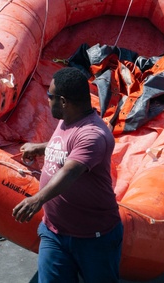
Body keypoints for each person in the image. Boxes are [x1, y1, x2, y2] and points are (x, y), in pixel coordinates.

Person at [12, 67, 123, 283]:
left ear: (63, 101)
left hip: (94, 239)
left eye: (50, 96)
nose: (47, 101)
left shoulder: (93, 134)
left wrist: (37, 199)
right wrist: (41, 147)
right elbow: (65, 145)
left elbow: (71, 171)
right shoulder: (68, 120)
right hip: (54, 231)